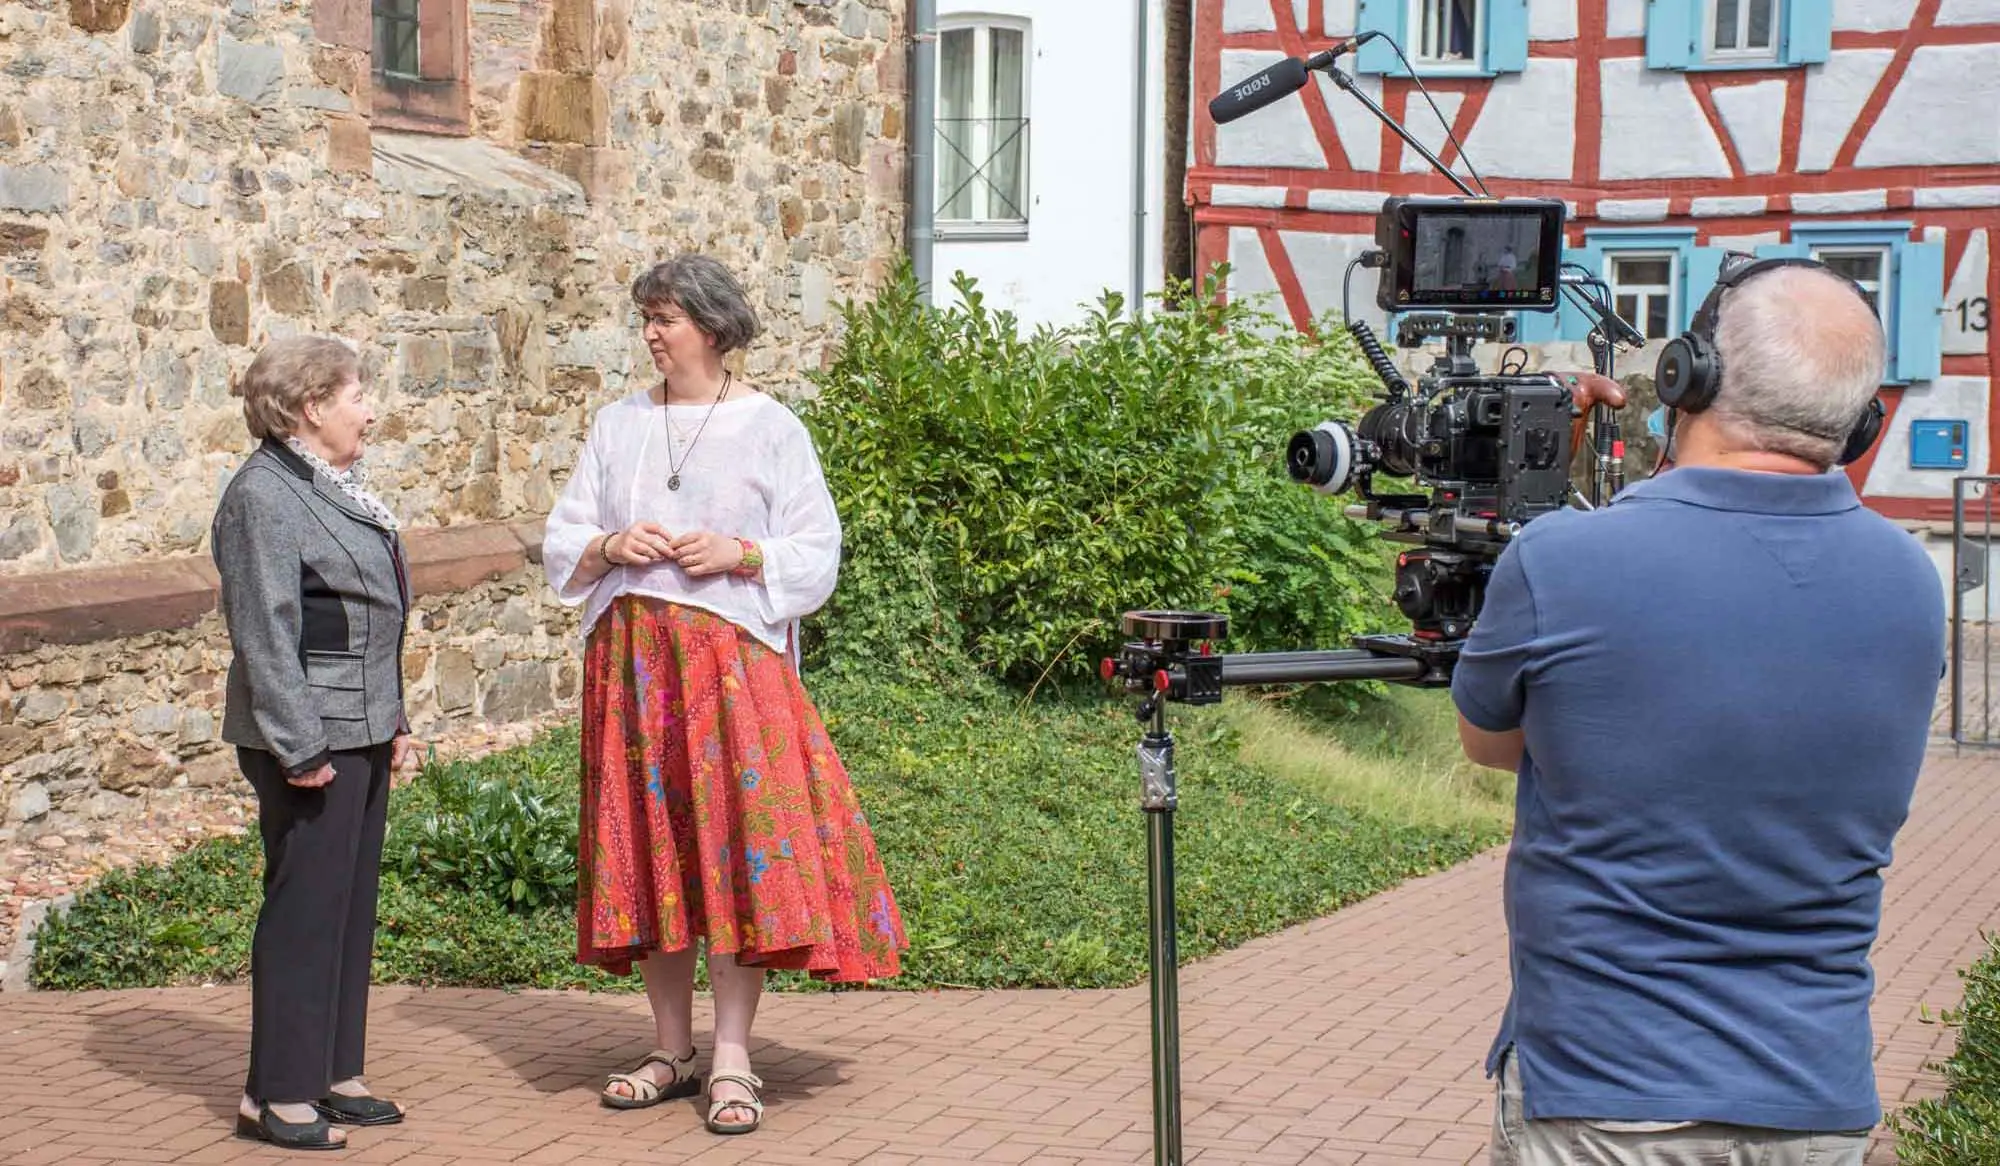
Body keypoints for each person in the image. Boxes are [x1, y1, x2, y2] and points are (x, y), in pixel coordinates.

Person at [1452, 260, 1944, 1165]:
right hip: (1815, 1102)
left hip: (1606, 1098)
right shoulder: (1912, 581)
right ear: (1863, 421)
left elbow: (1491, 742)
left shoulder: (1563, 562)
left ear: (1685, 376)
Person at [542, 254, 907, 1136]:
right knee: (656, 851)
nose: (652, 334)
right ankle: (671, 1049)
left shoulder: (771, 427)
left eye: (665, 318)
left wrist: (737, 555)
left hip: (732, 671)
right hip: (633, 669)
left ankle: (734, 1054)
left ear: (711, 326)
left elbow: (816, 549)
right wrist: (611, 544)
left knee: (737, 850)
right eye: (647, 319)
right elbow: (566, 534)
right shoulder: (618, 423)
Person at [212, 336, 420, 1151]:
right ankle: (276, 1094)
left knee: (347, 908)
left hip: (359, 727)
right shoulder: (262, 496)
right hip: (305, 739)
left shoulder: (331, 486)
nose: (371, 409)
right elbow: (267, 632)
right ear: (310, 408)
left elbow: (371, 620)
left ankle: (334, 1073)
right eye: (357, 394)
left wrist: (395, 719)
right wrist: (300, 748)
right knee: (303, 910)